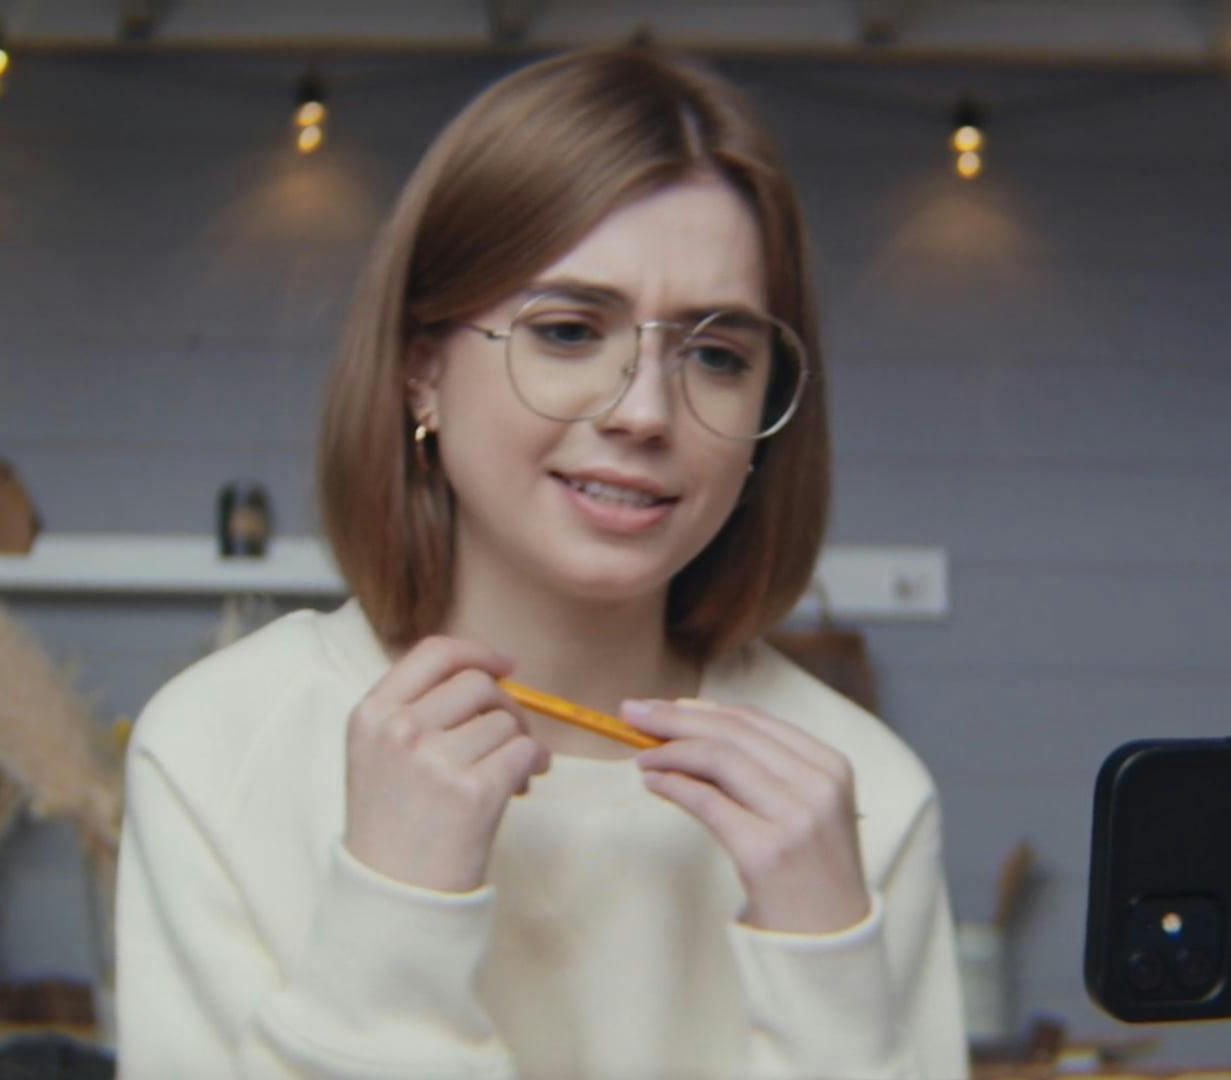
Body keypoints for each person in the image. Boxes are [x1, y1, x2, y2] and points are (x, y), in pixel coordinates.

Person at [113, 45, 970, 1079]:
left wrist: (829, 984)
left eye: (716, 355)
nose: (645, 411)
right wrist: (394, 916)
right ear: (420, 367)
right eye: (568, 331)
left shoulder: (866, 797)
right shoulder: (217, 752)